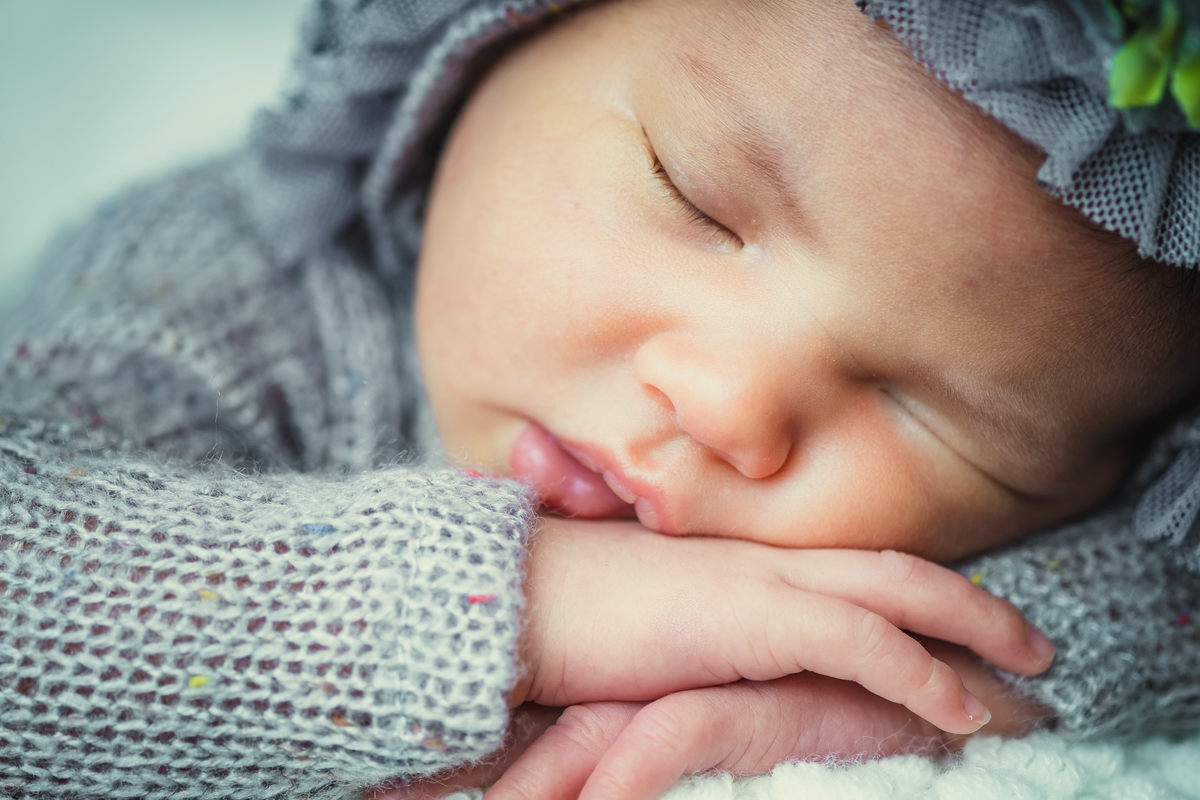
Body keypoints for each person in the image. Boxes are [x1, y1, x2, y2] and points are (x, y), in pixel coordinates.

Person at [1, 1, 1198, 799]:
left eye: (931, 411)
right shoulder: (199, 293)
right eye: (695, 197)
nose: (724, 403)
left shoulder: (1106, 452)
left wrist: (925, 683)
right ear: (499, 35)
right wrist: (519, 602)